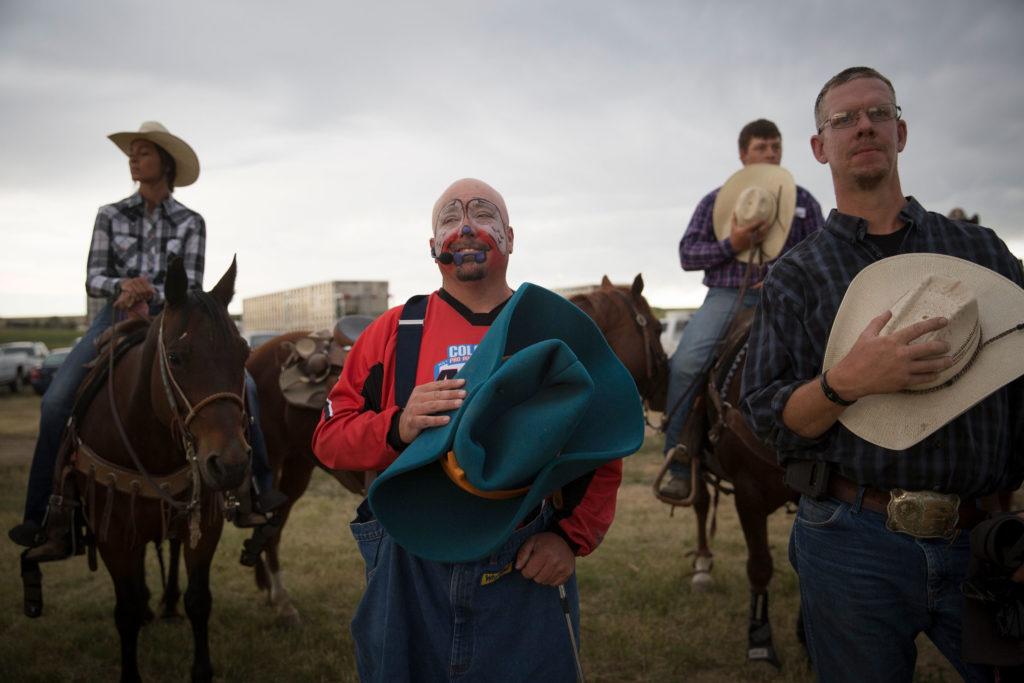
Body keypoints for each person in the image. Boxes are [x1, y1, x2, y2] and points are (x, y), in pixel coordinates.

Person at [741, 66, 1024, 681]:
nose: (863, 125)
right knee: (691, 358)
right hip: (851, 541)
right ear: (820, 147)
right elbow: (769, 414)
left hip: (982, 538)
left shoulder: (982, 251)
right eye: (843, 119)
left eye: (878, 113)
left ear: (901, 131)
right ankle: (684, 440)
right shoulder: (794, 276)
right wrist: (849, 380)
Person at [312, 178, 631, 681]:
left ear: (509, 236)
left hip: (524, 558)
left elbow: (601, 447)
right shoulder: (394, 331)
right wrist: (399, 424)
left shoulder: (549, 328)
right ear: (432, 245)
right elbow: (329, 439)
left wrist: (569, 540)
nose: (464, 226)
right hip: (408, 559)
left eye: (482, 214)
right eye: (448, 219)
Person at [9, 121, 280, 561]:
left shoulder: (191, 221)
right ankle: (46, 515)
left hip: (171, 319)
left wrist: (149, 289)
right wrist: (123, 286)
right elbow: (93, 276)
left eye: (143, 152)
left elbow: (187, 284)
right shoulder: (110, 214)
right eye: (131, 154)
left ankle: (257, 493)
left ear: (164, 164)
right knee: (56, 401)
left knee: (244, 388)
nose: (133, 160)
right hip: (114, 315)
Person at [658, 119, 824, 502]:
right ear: (743, 154)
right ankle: (680, 459)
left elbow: (821, 254)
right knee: (686, 363)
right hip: (726, 295)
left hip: (787, 299)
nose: (771, 153)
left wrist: (785, 277)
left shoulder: (803, 202)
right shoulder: (715, 200)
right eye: (762, 146)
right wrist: (731, 243)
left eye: (776, 146)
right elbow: (687, 254)